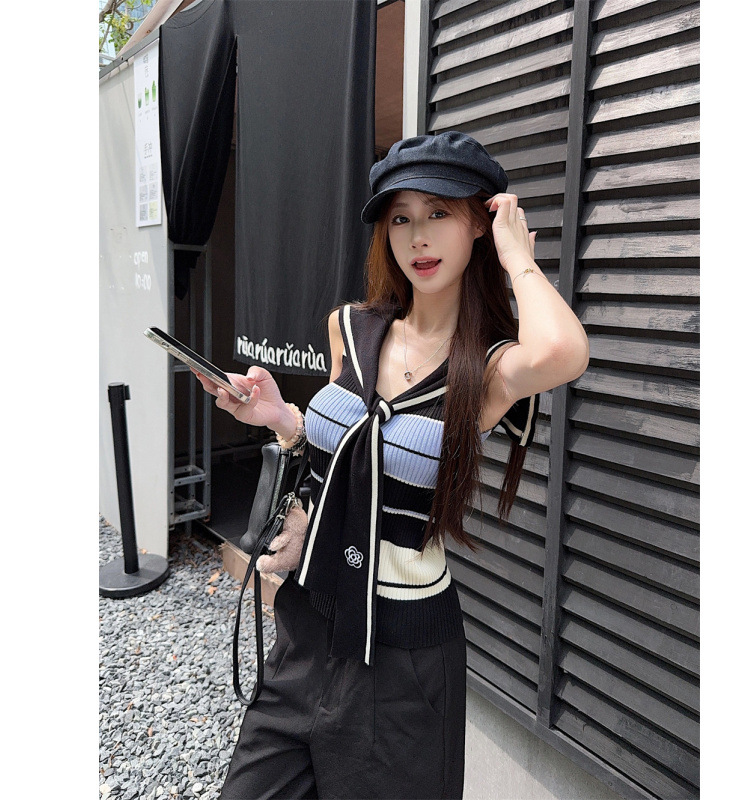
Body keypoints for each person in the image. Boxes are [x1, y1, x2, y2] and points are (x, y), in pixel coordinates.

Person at [192, 131, 589, 800]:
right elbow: (343, 458)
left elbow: (563, 352)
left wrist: (517, 255)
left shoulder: (488, 368)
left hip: (404, 662)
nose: (418, 237)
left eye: (439, 212)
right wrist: (281, 419)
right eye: (400, 218)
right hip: (307, 626)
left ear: (478, 222)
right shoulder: (351, 327)